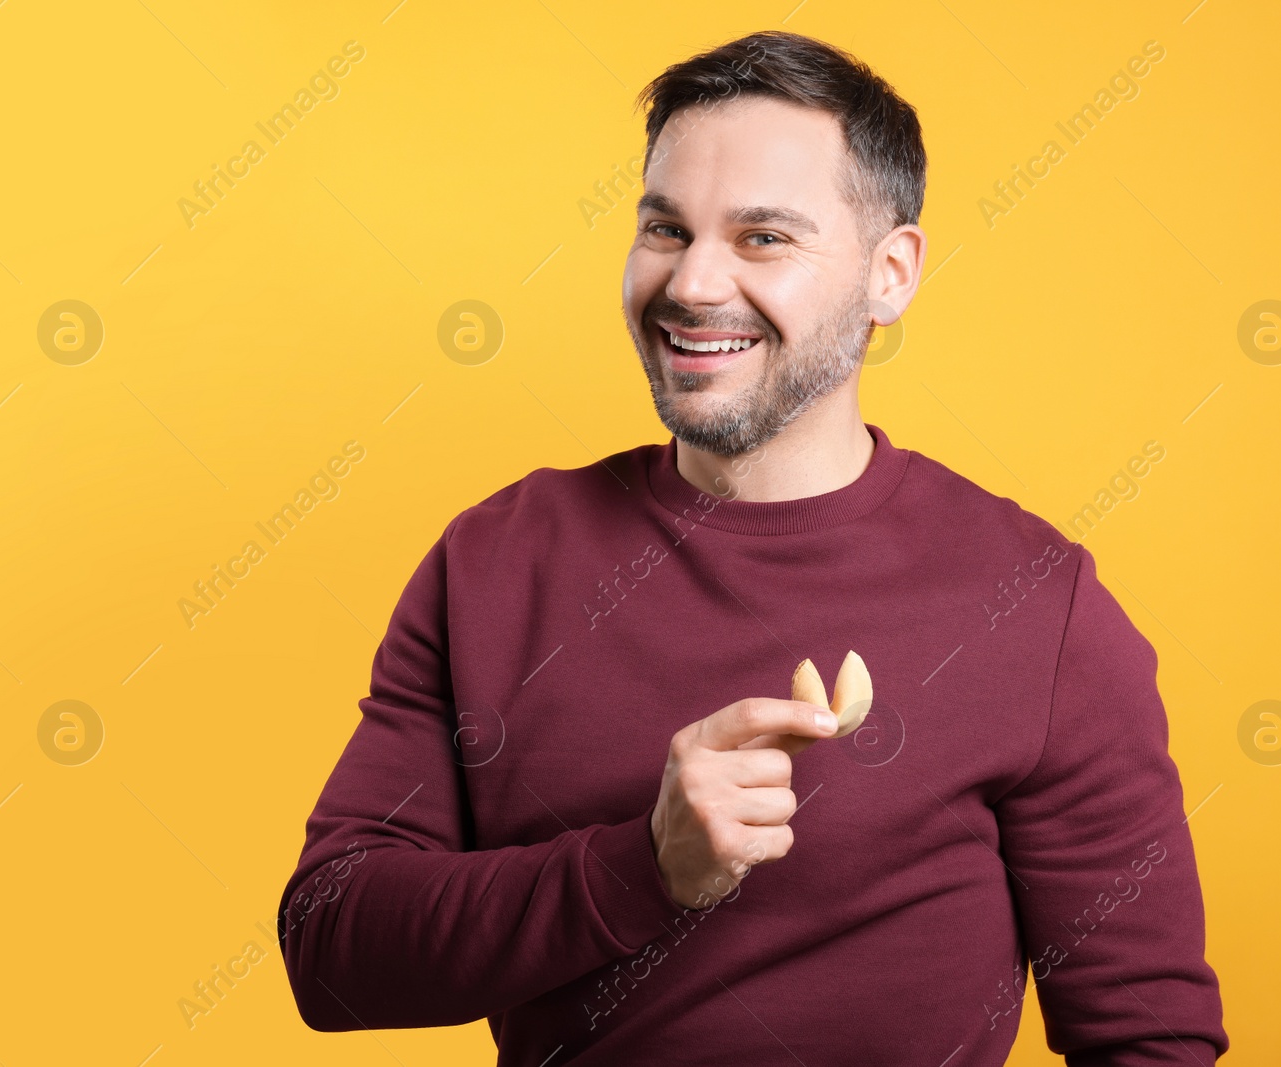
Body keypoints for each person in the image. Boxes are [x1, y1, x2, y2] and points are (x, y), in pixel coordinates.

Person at [276, 29, 1229, 1065]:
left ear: (890, 273)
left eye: (762, 237)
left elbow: (1147, 1036)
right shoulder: (494, 561)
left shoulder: (1037, 605)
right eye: (665, 228)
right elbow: (330, 943)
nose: (692, 284)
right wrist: (639, 867)